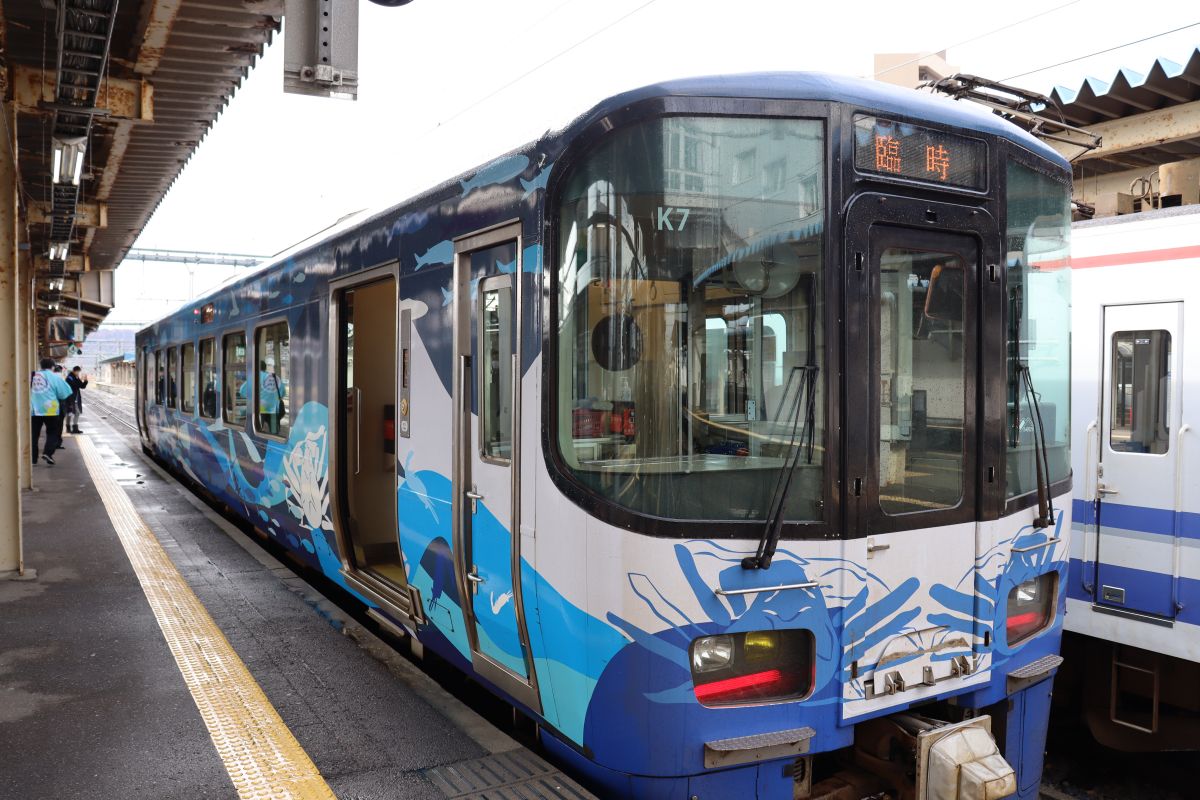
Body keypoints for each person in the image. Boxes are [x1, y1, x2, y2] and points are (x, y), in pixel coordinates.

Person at [31, 357, 74, 465]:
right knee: (52, 432)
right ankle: (48, 453)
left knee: (33, 434)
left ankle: (33, 458)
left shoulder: (33, 375)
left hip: (34, 409)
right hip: (51, 409)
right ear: (53, 367)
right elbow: (64, 393)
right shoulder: (55, 377)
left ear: (41, 366)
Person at [65, 365, 88, 434]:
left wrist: (85, 381)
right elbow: (75, 385)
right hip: (70, 398)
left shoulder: (75, 377)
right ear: (75, 371)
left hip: (75, 398)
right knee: (73, 413)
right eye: (78, 372)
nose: (78, 373)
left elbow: (82, 386)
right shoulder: (69, 378)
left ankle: (69, 428)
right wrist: (80, 380)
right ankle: (73, 428)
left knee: (70, 413)